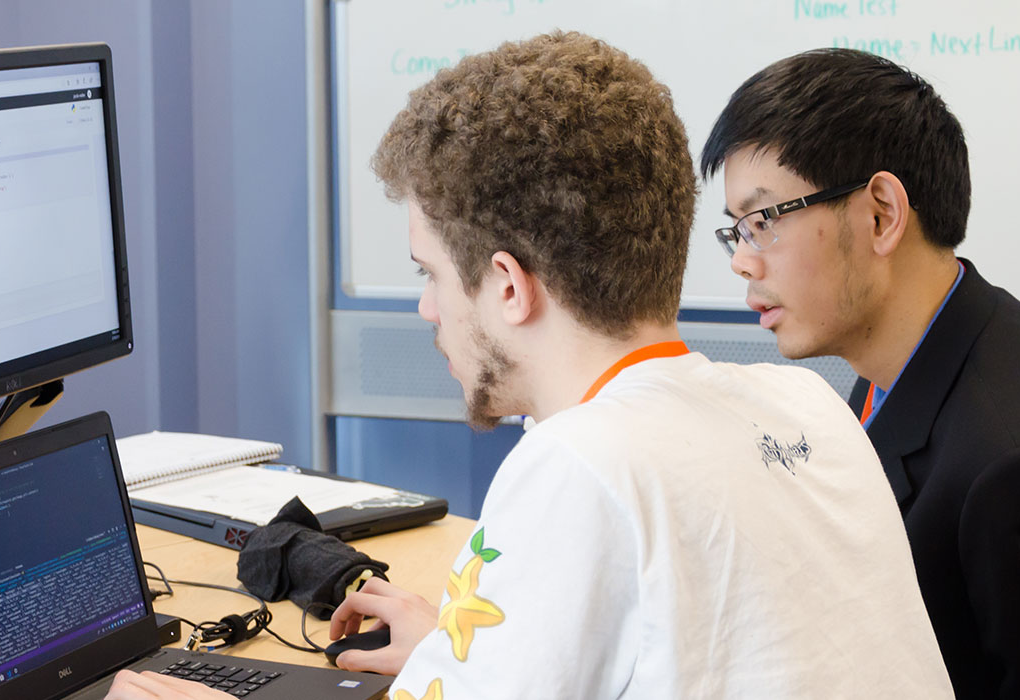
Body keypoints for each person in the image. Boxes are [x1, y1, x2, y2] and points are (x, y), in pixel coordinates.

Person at [106, 32, 950, 699]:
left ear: (508, 286)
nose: (428, 310)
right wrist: (460, 649)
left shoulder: (579, 465)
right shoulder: (807, 403)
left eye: (431, 274)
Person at [701, 48, 1020, 700]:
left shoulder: (1017, 469)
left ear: (882, 214)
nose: (742, 263)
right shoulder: (912, 351)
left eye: (764, 220)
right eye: (736, 231)